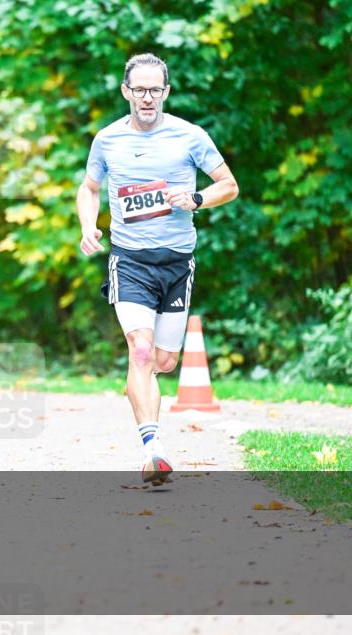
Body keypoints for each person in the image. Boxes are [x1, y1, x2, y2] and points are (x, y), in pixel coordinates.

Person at [76, 53, 239, 485]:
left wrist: (198, 199)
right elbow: (89, 188)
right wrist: (88, 225)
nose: (147, 97)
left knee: (164, 361)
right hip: (129, 261)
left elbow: (230, 185)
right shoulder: (107, 140)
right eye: (140, 89)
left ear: (165, 92)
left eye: (155, 90)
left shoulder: (190, 136)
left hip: (177, 262)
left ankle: (140, 389)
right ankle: (153, 448)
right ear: (126, 91)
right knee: (141, 351)